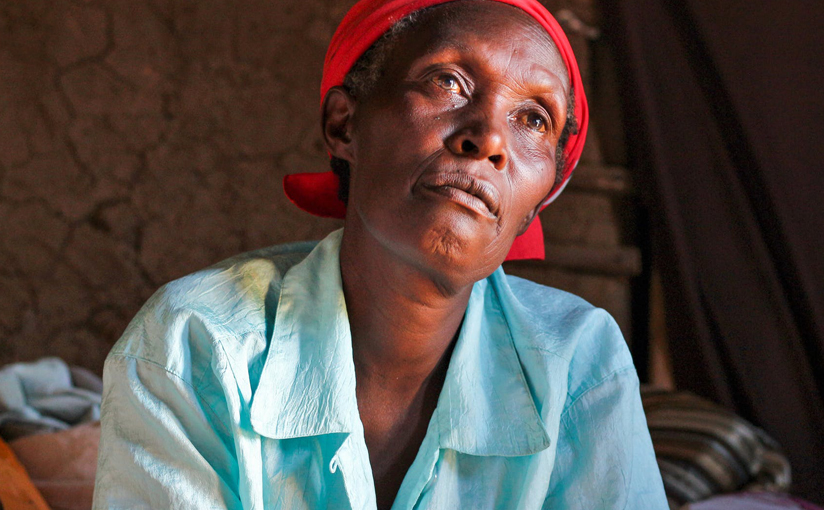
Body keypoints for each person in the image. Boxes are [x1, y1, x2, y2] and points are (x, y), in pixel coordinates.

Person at [92, 0, 667, 508]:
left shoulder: (577, 365)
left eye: (534, 119)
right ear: (345, 124)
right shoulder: (196, 344)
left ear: (537, 204)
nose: (489, 137)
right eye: (448, 82)